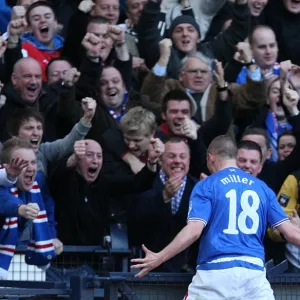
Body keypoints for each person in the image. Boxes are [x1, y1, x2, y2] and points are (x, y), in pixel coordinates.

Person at [131, 135, 300, 299]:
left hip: (216, 271)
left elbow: (194, 231)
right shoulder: (262, 188)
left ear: (210, 157)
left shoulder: (207, 184)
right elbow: (291, 233)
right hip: (254, 274)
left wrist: (159, 257)